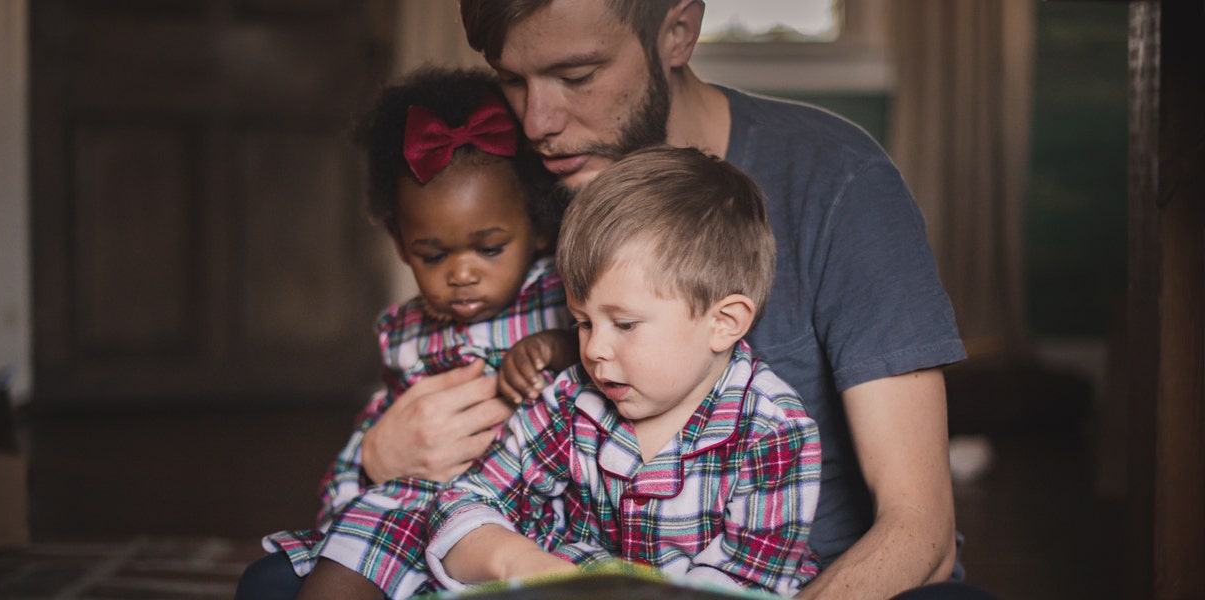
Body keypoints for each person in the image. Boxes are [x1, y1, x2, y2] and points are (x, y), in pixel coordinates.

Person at [455, 1, 970, 597]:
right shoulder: (519, 182)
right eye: (511, 80)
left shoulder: (838, 180)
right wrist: (383, 450)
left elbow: (921, 531)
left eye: (577, 76)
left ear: (678, 32)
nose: (536, 123)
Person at [235, 67, 575, 600]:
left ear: (539, 230)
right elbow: (379, 428)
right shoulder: (405, 330)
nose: (461, 273)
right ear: (400, 242)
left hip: (513, 512)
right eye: (433, 255)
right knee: (326, 571)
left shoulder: (557, 297)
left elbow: (604, 358)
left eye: (489, 248)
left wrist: (555, 346)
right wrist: (363, 474)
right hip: (412, 507)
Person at [426, 146, 823, 597]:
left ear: (723, 323)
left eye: (625, 324)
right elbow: (462, 505)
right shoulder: (570, 400)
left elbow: (747, 582)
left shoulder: (773, 432)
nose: (594, 349)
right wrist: (523, 563)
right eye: (582, 322)